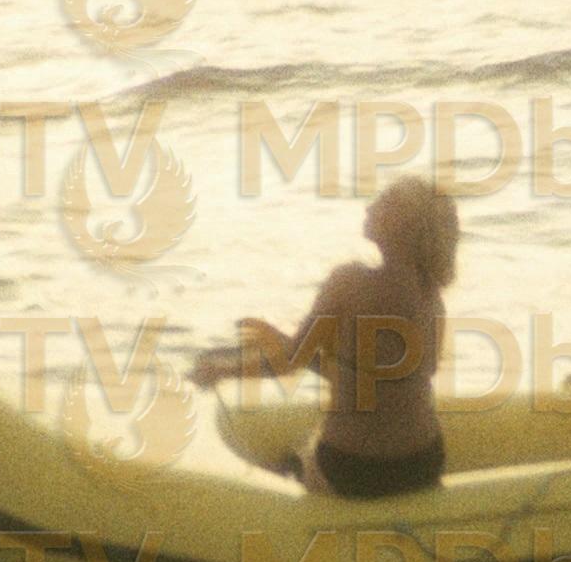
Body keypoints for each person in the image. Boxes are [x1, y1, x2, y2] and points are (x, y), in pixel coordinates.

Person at [191, 177, 457, 497]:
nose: (369, 207)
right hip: (422, 462)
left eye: (383, 202)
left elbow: (290, 361)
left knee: (296, 455)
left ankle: (299, 474)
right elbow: (383, 380)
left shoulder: (349, 281)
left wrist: (221, 371)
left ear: (402, 225)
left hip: (354, 467)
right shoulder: (431, 297)